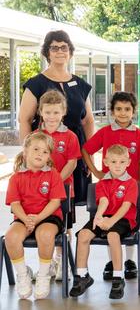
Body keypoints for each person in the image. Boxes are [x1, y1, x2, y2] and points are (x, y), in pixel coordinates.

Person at [18, 30, 94, 207]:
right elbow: (25, 120)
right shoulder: (36, 84)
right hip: (45, 151)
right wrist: (27, 155)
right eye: (54, 47)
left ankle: (66, 233)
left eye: (64, 47)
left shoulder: (81, 84)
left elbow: (88, 121)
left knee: (69, 201)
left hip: (74, 151)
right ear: (47, 53)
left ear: (70, 52)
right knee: (43, 198)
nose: (60, 51)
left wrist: (89, 156)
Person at [82, 92, 140, 281]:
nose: (123, 113)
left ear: (133, 112)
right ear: (112, 111)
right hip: (109, 188)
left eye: (127, 109)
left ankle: (129, 261)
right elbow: (86, 150)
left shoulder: (139, 134)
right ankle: (112, 262)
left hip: (130, 189)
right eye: (118, 109)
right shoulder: (105, 132)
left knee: (129, 225)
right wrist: (96, 172)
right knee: (106, 225)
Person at [70, 145, 138, 299]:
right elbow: (104, 201)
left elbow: (126, 206)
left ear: (128, 162)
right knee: (83, 235)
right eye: (113, 162)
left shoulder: (131, 183)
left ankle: (118, 278)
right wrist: (99, 217)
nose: (118, 165)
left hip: (124, 219)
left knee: (112, 236)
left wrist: (111, 221)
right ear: (106, 162)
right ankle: (82, 276)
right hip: (105, 216)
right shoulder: (102, 182)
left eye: (122, 162)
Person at [4, 132, 67, 299]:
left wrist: (37, 219)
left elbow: (55, 202)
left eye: (45, 151)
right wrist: (26, 219)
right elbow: (15, 204)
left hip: (49, 217)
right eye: (36, 149)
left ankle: (43, 275)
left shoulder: (53, 174)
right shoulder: (16, 178)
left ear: (49, 156)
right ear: (25, 152)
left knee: (45, 234)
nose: (40, 153)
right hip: (24, 217)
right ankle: (23, 274)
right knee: (10, 237)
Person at [34, 90, 80, 280]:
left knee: (64, 227)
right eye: (47, 112)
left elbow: (72, 162)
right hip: (40, 193)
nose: (51, 117)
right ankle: (47, 265)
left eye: (56, 112)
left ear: (63, 112)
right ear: (40, 112)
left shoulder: (70, 136)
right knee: (42, 227)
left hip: (64, 190)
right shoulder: (36, 135)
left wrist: (56, 182)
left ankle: (62, 262)